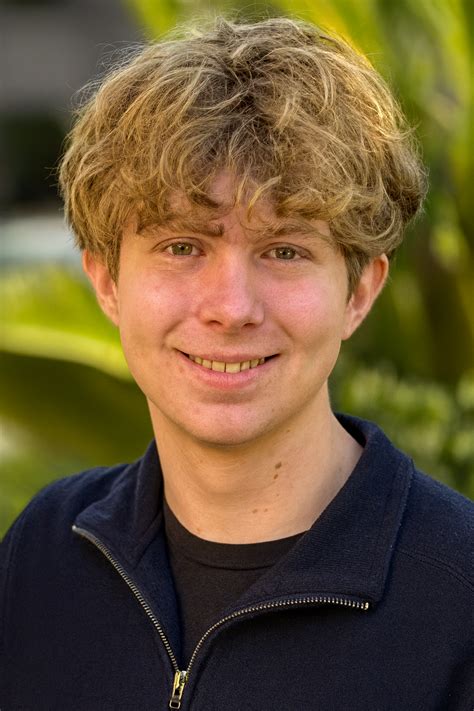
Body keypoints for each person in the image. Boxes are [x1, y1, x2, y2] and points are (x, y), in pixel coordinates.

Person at [1, 16, 472, 711]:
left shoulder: (460, 597)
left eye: (284, 250)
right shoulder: (43, 555)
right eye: (182, 246)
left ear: (359, 292)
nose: (230, 307)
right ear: (106, 281)